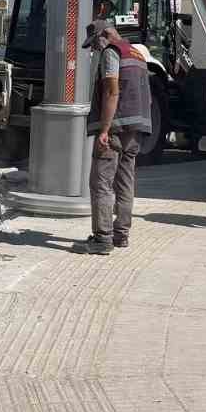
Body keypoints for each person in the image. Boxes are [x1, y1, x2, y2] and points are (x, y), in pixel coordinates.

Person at [75, 20, 151, 255]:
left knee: (101, 183)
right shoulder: (137, 53)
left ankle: (102, 239)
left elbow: (111, 90)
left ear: (105, 35)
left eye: (94, 43)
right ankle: (121, 235)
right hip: (135, 128)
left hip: (115, 128)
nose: (94, 49)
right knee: (125, 182)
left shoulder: (111, 52)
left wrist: (105, 130)